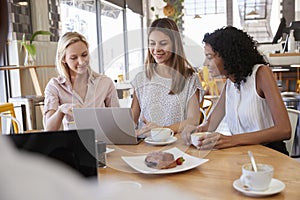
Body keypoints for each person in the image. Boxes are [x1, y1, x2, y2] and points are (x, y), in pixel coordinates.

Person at [182, 26, 291, 155]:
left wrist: (231, 140)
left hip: (270, 154)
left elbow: (284, 130)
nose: (205, 63)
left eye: (210, 57)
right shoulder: (230, 82)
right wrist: (195, 131)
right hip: (243, 155)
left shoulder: (261, 74)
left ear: (229, 56)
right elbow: (209, 125)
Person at [131, 18, 203, 136]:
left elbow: (193, 120)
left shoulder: (190, 79)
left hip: (177, 145)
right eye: (152, 43)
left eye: (163, 43)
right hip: (145, 145)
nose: (156, 49)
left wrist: (163, 129)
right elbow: (131, 121)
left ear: (175, 44)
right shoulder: (141, 79)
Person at [44, 32, 120, 130]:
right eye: (73, 58)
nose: (81, 61)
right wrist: (61, 110)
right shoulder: (55, 86)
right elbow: (49, 129)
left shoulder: (105, 83)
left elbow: (118, 121)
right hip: (72, 142)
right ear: (63, 59)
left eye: (84, 55)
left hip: (102, 142)